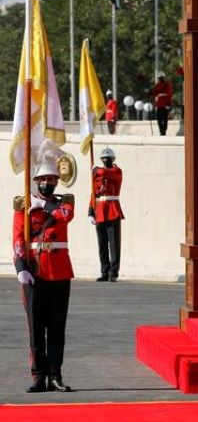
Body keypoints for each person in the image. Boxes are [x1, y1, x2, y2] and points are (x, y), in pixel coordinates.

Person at [12, 158, 75, 393]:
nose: (47, 183)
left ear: (57, 182)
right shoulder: (23, 205)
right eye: (43, 179)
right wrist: (20, 267)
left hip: (59, 271)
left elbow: (65, 216)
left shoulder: (64, 202)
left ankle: (55, 375)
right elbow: (18, 237)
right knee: (36, 328)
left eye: (51, 179)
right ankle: (38, 375)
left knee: (57, 327)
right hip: (34, 272)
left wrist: (44, 205)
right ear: (35, 181)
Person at [89, 147, 125, 282]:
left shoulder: (117, 171)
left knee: (114, 244)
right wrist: (91, 210)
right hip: (100, 209)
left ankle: (113, 272)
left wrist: (95, 169)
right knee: (102, 244)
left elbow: (105, 173)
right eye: (103, 159)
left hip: (112, 208)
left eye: (108, 159)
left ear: (112, 159)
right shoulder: (98, 174)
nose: (105, 160)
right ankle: (104, 271)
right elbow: (94, 193)